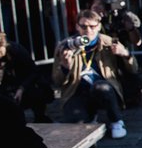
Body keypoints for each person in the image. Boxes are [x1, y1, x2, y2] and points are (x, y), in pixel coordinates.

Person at [51, 9, 136, 138]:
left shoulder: (109, 41)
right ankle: (89, 115)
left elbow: (134, 69)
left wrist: (125, 54)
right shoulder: (66, 46)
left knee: (102, 87)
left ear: (99, 26)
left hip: (103, 88)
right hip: (77, 91)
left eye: (92, 26)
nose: (88, 30)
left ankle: (116, 121)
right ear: (77, 27)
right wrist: (65, 67)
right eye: (83, 26)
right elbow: (56, 81)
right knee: (75, 122)